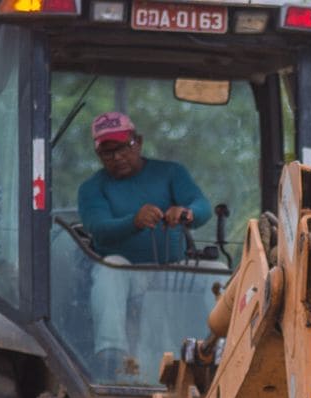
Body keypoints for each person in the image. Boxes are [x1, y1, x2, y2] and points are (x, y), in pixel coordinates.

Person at [77, 112, 212, 375]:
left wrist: (186, 212)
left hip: (171, 272)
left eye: (123, 148)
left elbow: (202, 206)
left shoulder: (171, 173)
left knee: (214, 272)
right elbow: (99, 230)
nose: (117, 157)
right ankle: (112, 356)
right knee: (110, 267)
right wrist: (134, 221)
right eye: (107, 152)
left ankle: (223, 349)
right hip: (128, 278)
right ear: (98, 155)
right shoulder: (92, 188)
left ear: (137, 142)